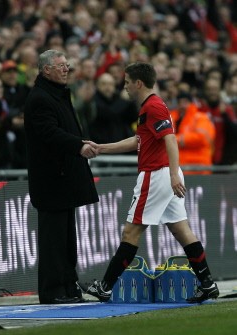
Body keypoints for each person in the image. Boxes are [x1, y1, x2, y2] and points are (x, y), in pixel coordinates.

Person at [79, 63, 219, 304]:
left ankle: (104, 287)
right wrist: (102, 148)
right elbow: (139, 141)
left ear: (138, 83)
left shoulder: (152, 106)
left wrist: (173, 174)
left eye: (126, 82)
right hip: (165, 174)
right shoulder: (151, 106)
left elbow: (171, 140)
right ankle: (207, 283)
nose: (124, 86)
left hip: (156, 175)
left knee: (131, 231)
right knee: (181, 230)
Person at [24, 49, 99, 304]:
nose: (66, 69)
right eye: (61, 66)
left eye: (67, 65)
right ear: (46, 70)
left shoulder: (57, 95)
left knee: (67, 239)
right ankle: (52, 291)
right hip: (51, 180)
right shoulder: (39, 99)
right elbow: (50, 133)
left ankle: (68, 287)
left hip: (64, 178)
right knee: (53, 241)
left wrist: (79, 142)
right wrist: (78, 145)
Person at [170, 92, 216, 174]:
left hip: (199, 168)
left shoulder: (201, 117)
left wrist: (176, 140)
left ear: (191, 103)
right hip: (181, 168)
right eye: (179, 102)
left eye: (185, 102)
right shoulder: (172, 118)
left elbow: (202, 138)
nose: (182, 105)